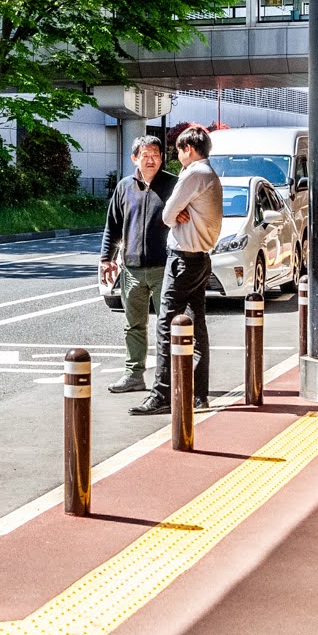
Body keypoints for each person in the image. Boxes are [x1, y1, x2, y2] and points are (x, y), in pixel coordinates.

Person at [135, 126, 223, 417]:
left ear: (189, 149)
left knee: (165, 323)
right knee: (197, 326)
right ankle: (199, 394)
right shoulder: (210, 174)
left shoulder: (194, 174)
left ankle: (161, 394)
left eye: (178, 150)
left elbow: (166, 213)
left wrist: (176, 215)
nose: (177, 156)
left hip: (182, 260)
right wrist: (180, 213)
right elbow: (176, 212)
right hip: (200, 259)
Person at [100, 135, 174, 393]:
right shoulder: (124, 187)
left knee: (168, 324)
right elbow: (113, 226)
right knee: (133, 325)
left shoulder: (173, 185)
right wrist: (106, 260)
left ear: (162, 157)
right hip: (131, 269)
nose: (151, 160)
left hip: (164, 267)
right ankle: (133, 375)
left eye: (155, 155)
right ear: (135, 158)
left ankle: (169, 378)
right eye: (145, 155)